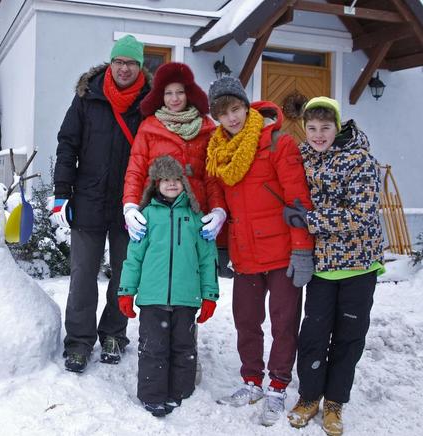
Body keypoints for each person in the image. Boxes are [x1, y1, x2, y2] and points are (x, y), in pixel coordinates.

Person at [205, 76, 314, 426]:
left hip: (282, 251)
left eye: (236, 109)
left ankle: (278, 386)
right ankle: (251, 381)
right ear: (217, 118)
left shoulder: (278, 143)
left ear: (245, 106)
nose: (232, 118)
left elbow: (297, 199)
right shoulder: (218, 151)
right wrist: (223, 247)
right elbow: (220, 199)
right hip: (246, 252)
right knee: (246, 321)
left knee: (284, 324)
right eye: (224, 113)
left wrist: (301, 249)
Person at [283, 97, 384, 436]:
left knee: (348, 337)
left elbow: (361, 213)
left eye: (325, 128)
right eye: (311, 128)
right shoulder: (304, 155)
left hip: (358, 265)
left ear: (337, 126)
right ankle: (309, 396)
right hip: (323, 266)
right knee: (313, 334)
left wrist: (310, 220)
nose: (318, 134)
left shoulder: (359, 159)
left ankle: (335, 402)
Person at [51, 35, 151, 373]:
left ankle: (114, 334)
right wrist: (62, 191)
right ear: (112, 63)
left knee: (124, 275)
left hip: (130, 204)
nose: (124, 68)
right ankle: (78, 341)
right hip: (89, 198)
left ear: (139, 67)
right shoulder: (87, 97)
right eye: (120, 61)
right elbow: (68, 144)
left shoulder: (149, 104)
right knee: (82, 276)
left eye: (131, 63)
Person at [117, 155, 219, 417]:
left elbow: (208, 259)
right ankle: (152, 395)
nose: (172, 184)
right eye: (166, 180)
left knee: (184, 348)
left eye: (177, 180)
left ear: (184, 183)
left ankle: (180, 394)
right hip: (153, 297)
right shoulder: (147, 216)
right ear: (156, 184)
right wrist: (126, 291)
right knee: (153, 348)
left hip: (187, 297)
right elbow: (133, 258)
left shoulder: (195, 218)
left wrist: (209, 295)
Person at [122, 62, 229, 270]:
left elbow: (212, 177)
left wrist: (218, 210)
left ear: (188, 93)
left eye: (179, 92)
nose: (174, 98)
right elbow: (136, 169)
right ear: (160, 96)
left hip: (194, 215)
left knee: (190, 273)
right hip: (157, 214)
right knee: (157, 271)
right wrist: (130, 206)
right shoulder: (149, 127)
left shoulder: (207, 128)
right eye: (168, 93)